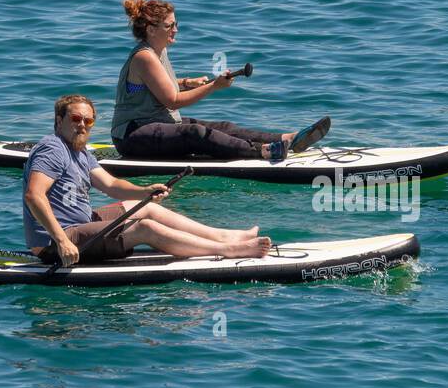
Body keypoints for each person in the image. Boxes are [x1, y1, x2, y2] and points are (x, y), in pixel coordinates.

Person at [23, 93, 272, 268]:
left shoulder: (79, 152)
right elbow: (34, 196)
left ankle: (225, 237)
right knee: (144, 227)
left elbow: (111, 185)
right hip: (55, 242)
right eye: (75, 119)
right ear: (59, 120)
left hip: (81, 225)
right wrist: (63, 241)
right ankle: (228, 251)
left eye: (88, 121)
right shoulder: (52, 149)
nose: (82, 126)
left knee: (148, 208)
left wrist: (144, 191)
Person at [111, 0, 331, 163]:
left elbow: (154, 85)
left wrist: (187, 82)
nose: (176, 30)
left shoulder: (159, 51)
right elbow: (173, 101)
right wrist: (213, 87)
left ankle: (287, 138)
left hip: (157, 124)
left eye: (176, 24)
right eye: (169, 26)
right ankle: (262, 151)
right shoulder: (144, 57)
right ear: (150, 29)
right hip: (133, 135)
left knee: (223, 126)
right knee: (195, 133)